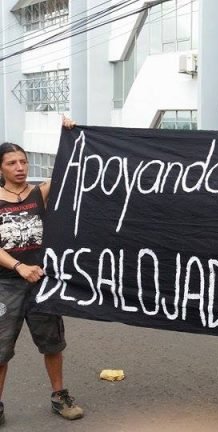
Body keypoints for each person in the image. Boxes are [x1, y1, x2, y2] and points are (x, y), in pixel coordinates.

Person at [0, 116, 83, 424]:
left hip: (42, 283)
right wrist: (19, 266)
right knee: (0, 348)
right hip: (5, 284)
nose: (20, 167)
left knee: (52, 343)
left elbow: (68, 170)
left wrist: (70, 135)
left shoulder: (39, 192)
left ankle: (59, 396)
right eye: (12, 163)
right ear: (1, 168)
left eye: (23, 161)